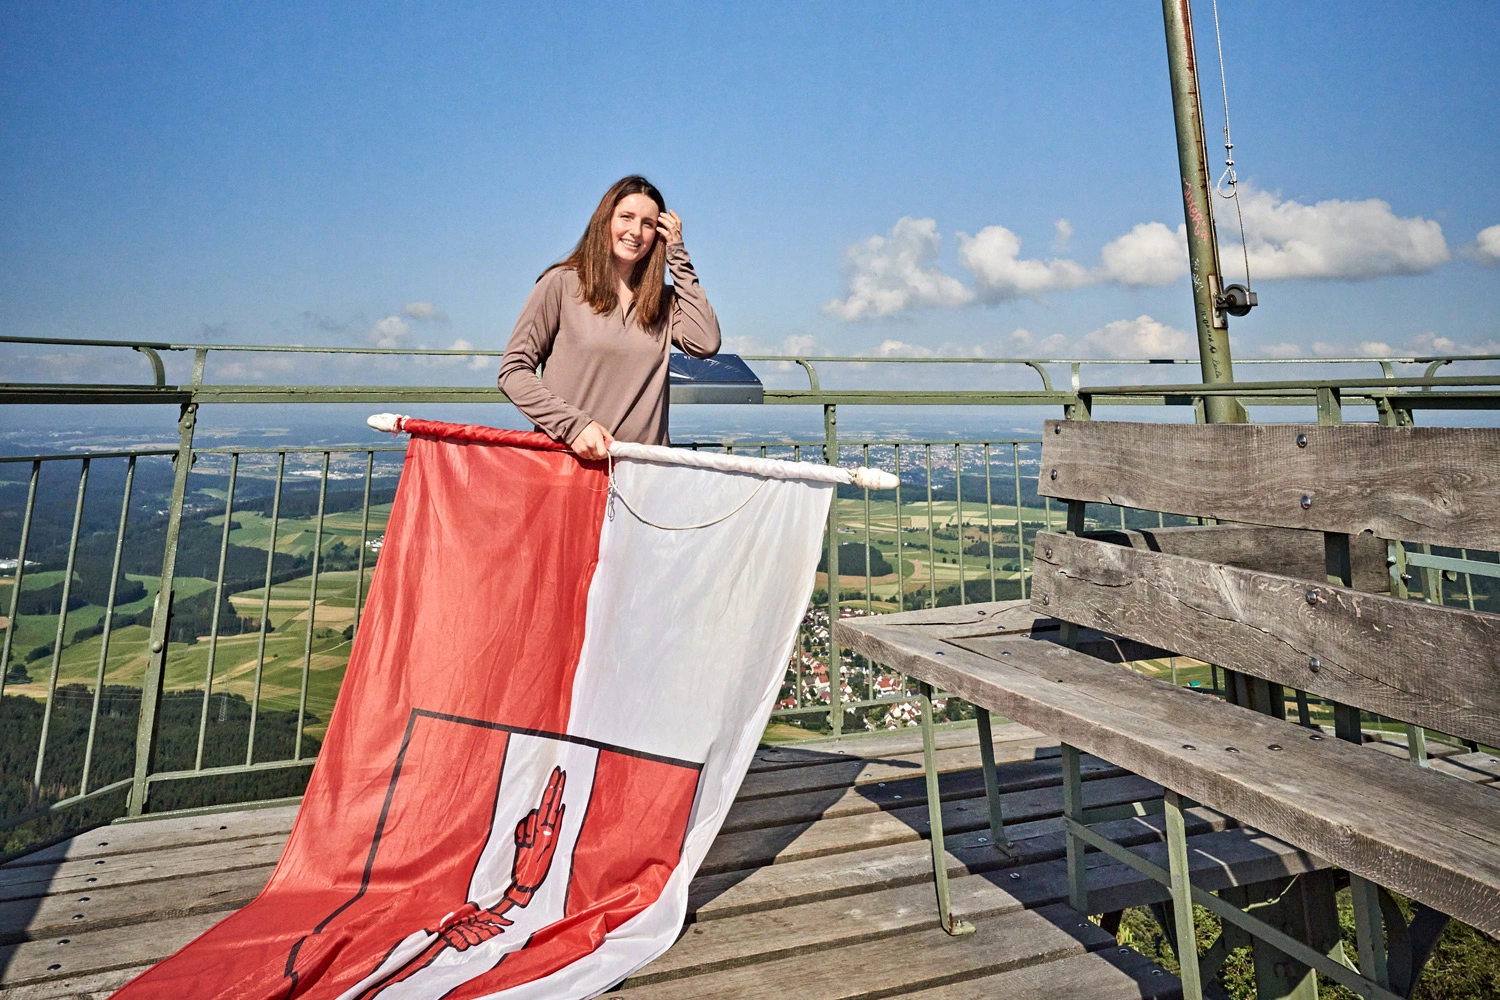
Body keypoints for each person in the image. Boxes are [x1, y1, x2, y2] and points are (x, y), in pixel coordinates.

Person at [498, 175, 721, 459]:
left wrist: (677, 254)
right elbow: (513, 371)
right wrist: (574, 426)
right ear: (605, 220)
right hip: (568, 465)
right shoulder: (561, 284)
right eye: (626, 217)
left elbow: (706, 342)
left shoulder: (662, 303)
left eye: (648, 224)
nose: (636, 232)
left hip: (642, 476)